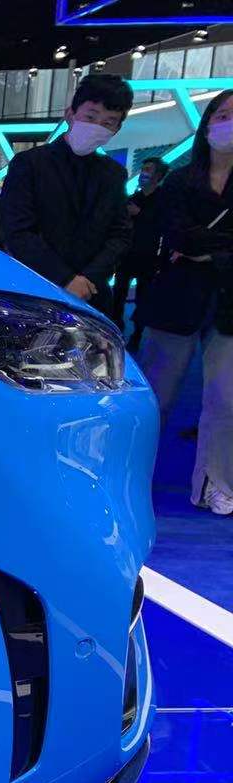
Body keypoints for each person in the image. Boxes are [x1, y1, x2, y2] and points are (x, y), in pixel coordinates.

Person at [138, 90, 233, 516]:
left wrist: (209, 253)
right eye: (223, 114)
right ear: (208, 121)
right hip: (176, 301)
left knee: (226, 399)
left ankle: (216, 482)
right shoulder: (179, 181)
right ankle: (130, 475)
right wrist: (219, 248)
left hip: (228, 303)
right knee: (154, 397)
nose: (228, 123)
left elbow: (195, 243)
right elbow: (178, 235)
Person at [0, 73, 133, 317]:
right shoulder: (30, 164)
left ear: (116, 129)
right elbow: (17, 231)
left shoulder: (113, 174)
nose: (97, 127)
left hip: (92, 295)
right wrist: (66, 278)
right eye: (91, 117)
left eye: (108, 122)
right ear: (70, 114)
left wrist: (87, 279)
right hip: (36, 290)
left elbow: (120, 234)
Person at [114, 158, 171, 348]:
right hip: (126, 256)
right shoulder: (133, 198)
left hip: (149, 258)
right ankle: (117, 329)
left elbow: (164, 226)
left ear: (158, 176)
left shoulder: (164, 200)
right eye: (143, 169)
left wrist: (140, 214)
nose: (142, 173)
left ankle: (137, 335)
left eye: (148, 170)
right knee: (117, 295)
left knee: (143, 299)